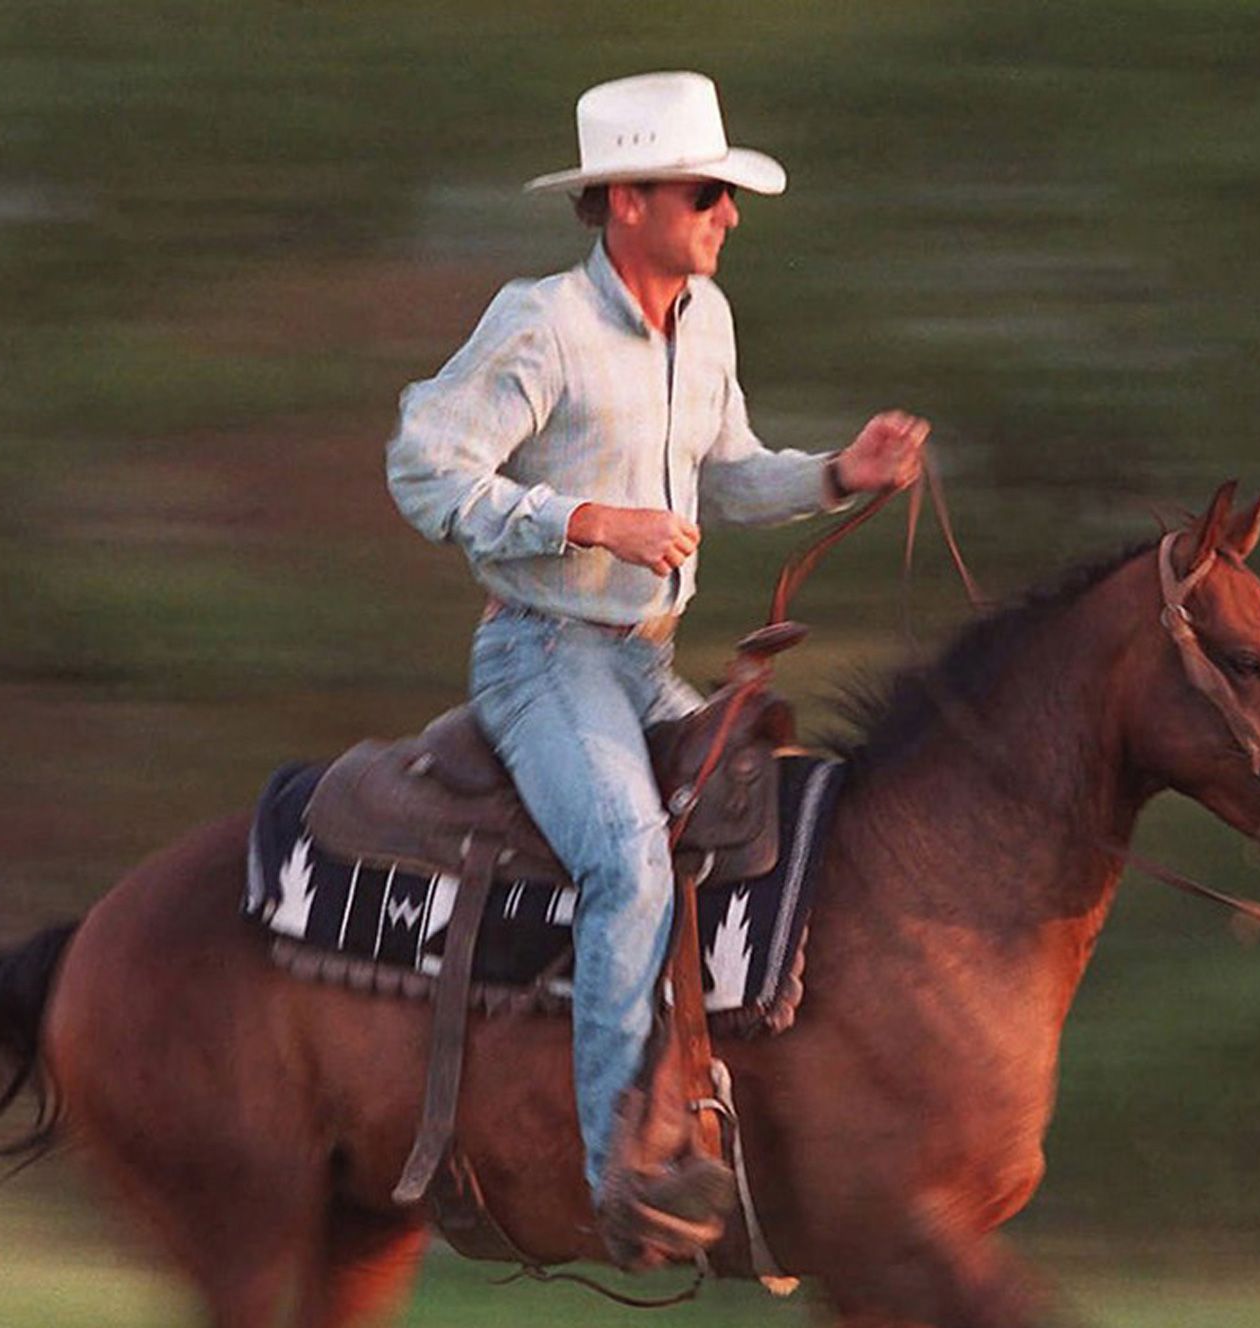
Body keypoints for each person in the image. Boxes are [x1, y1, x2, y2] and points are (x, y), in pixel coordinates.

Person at [387, 70, 926, 1266]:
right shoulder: (541, 324)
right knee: (632, 857)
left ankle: (739, 1117)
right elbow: (425, 471)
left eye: (724, 196)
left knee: (760, 827)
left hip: (642, 660)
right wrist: (587, 522)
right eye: (704, 192)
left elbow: (724, 472)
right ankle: (614, 1168)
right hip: (539, 656)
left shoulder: (707, 324)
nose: (726, 213)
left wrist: (840, 471)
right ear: (627, 200)